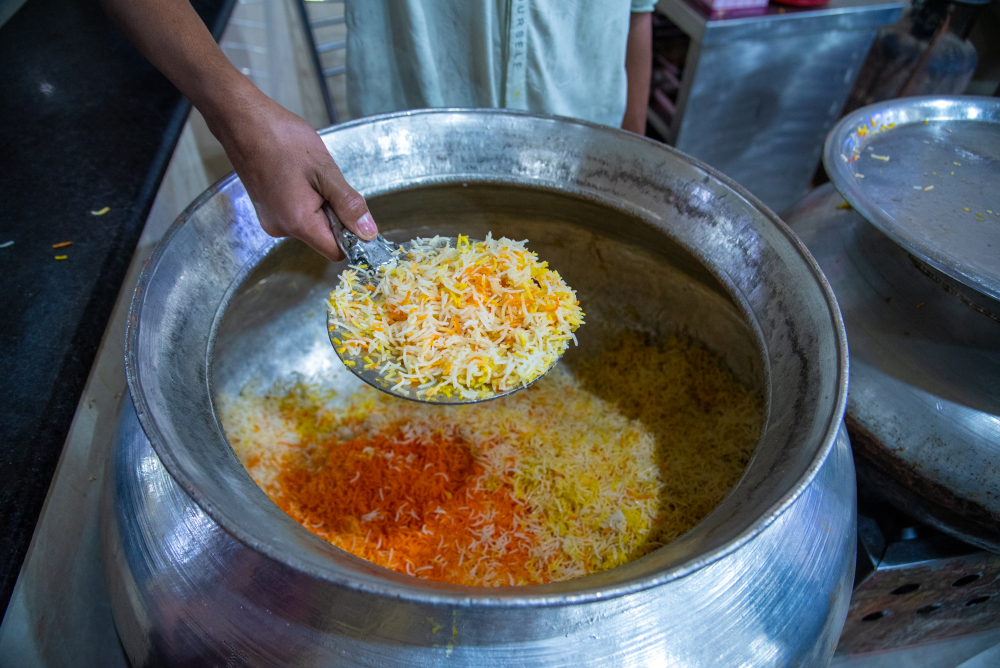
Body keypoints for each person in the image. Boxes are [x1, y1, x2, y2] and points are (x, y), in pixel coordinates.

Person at [101, 0, 653, 262]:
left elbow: (637, 13)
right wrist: (235, 115)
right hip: (406, 168)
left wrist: (631, 162)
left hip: (582, 156)